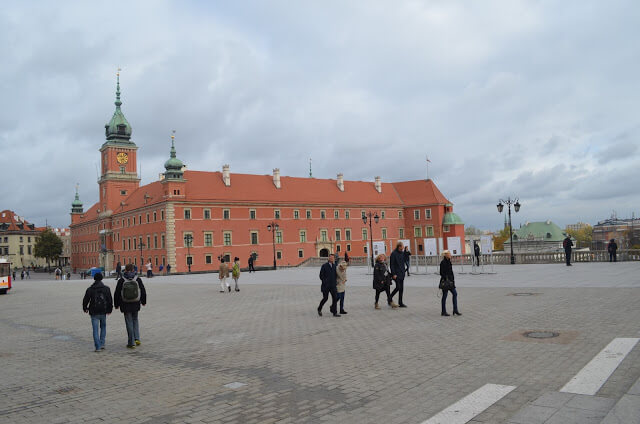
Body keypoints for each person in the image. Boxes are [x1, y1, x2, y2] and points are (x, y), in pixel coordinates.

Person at [114, 263, 147, 349]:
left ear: (125, 270)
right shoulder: (137, 279)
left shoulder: (121, 280)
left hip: (125, 304)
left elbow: (117, 293)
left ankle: (131, 342)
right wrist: (143, 301)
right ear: (133, 269)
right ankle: (137, 338)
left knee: (129, 322)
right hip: (136, 303)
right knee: (135, 320)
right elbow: (143, 290)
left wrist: (116, 304)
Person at [82, 272, 113, 351]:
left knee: (95, 329)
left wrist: (85, 308)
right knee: (103, 327)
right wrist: (110, 309)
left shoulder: (90, 289)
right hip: (103, 311)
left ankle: (97, 347)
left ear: (94, 279)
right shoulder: (106, 288)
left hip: (94, 311)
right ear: (102, 278)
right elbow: (110, 300)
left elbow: (85, 300)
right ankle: (102, 343)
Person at [439, 250, 461, 316]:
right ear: (445, 255)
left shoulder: (449, 262)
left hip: (451, 282)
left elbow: (451, 272)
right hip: (446, 282)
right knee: (444, 296)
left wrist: (452, 280)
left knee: (455, 293)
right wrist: (446, 278)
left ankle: (455, 310)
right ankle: (443, 311)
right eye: (449, 254)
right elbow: (441, 273)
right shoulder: (443, 262)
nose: (450, 255)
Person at [390, 242, 408, 307]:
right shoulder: (393, 254)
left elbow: (405, 260)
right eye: (402, 246)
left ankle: (400, 302)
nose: (403, 247)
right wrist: (393, 274)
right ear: (399, 246)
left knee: (401, 288)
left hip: (402, 273)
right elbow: (392, 265)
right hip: (396, 274)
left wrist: (406, 252)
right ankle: (389, 297)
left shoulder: (402, 253)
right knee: (398, 287)